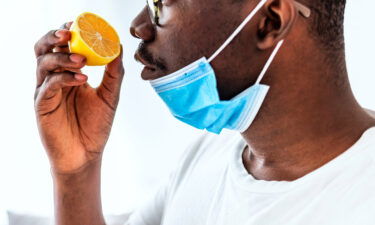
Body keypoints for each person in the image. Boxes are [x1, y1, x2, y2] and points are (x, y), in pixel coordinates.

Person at [33, 0, 375, 224]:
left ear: (269, 21)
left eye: (161, 5)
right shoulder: (210, 155)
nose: (139, 27)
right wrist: (76, 171)